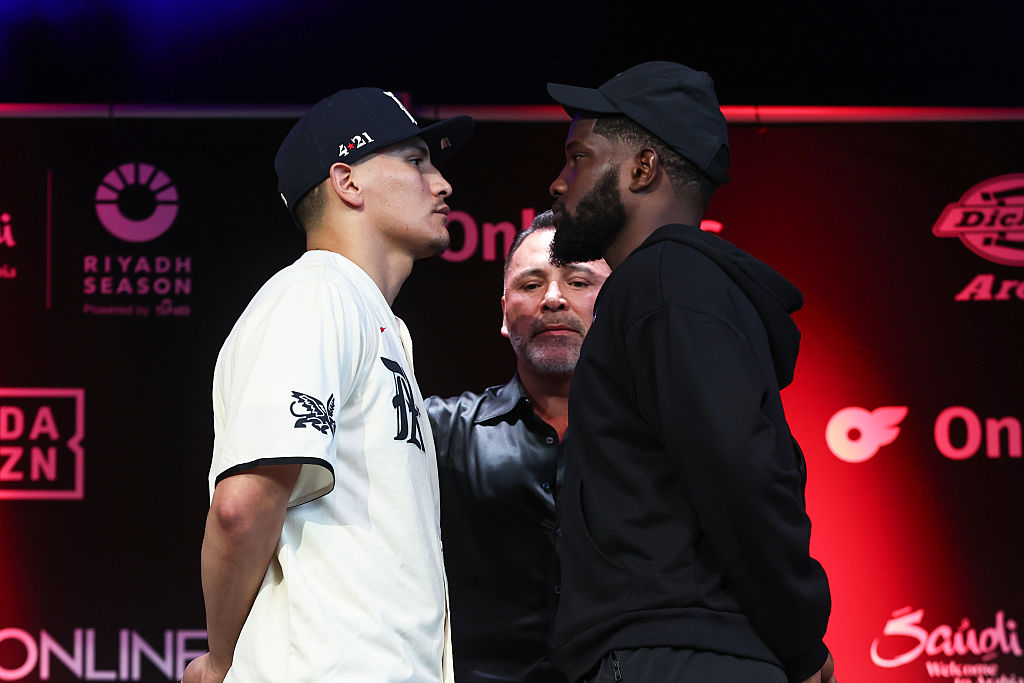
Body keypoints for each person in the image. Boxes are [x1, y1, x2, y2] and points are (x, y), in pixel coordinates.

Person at [544, 62, 836, 683]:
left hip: (679, 655)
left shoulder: (666, 278)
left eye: (578, 157)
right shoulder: (665, 288)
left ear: (642, 168)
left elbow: (737, 467)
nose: (559, 182)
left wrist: (801, 639)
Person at [183, 87, 473, 683]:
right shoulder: (316, 294)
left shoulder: (380, 323)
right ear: (348, 183)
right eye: (416, 161)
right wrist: (221, 660)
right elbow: (242, 505)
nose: (441, 184)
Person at [426, 211, 611, 683]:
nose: (553, 298)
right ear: (504, 313)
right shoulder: (439, 432)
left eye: (577, 281)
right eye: (531, 285)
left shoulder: (660, 439)